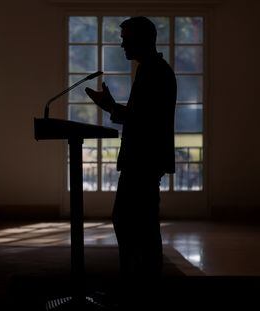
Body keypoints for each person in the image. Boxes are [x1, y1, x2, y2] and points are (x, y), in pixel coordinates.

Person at [85, 16, 176, 279]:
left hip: (143, 160)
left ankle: (139, 282)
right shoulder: (152, 69)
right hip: (146, 159)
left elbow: (143, 120)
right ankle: (140, 281)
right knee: (138, 223)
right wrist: (112, 105)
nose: (122, 44)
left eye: (125, 39)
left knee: (131, 222)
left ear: (141, 39)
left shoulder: (152, 71)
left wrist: (110, 106)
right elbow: (143, 116)